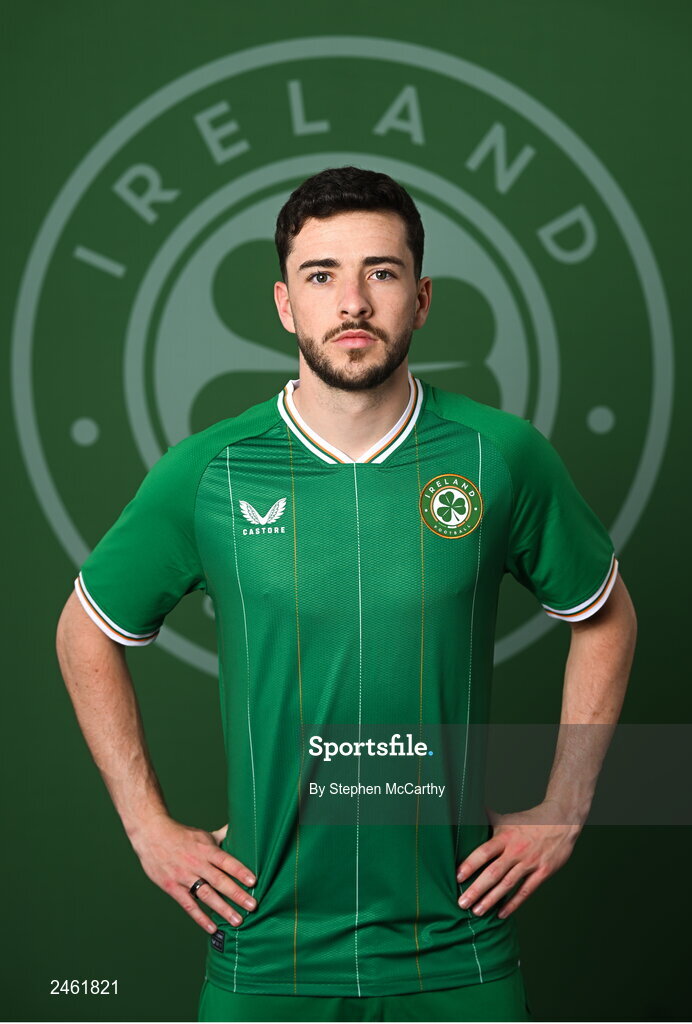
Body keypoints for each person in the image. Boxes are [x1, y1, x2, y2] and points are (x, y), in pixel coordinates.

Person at [56, 165, 637, 1023]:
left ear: (422, 298)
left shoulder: (499, 456)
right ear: (286, 304)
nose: (353, 302)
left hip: (457, 945)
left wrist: (564, 807)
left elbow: (606, 615)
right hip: (267, 948)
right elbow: (84, 630)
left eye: (382, 272)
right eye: (321, 276)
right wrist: (147, 823)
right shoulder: (209, 472)